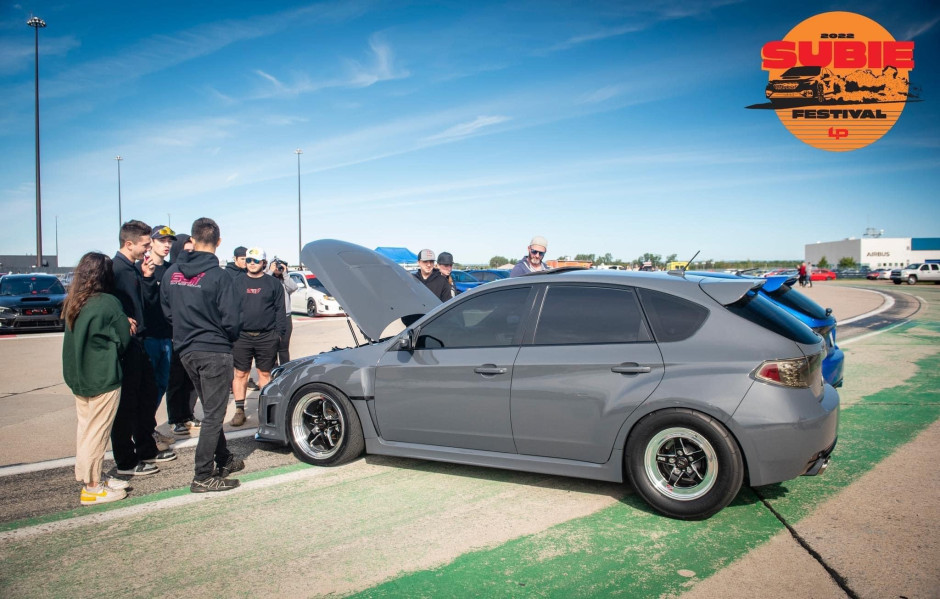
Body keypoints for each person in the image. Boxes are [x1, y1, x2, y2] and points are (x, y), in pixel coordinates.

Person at [161, 217, 244, 493]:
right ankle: (202, 475)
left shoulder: (172, 273)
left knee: (210, 410)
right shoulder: (220, 276)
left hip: (186, 350)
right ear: (219, 243)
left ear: (193, 240)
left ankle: (224, 458)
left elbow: (167, 311)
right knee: (214, 414)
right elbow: (232, 320)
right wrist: (223, 338)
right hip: (214, 351)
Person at [62, 252, 132, 505]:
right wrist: (125, 328)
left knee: (86, 429)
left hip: (78, 376)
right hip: (103, 376)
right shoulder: (108, 302)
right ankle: (92, 488)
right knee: (98, 433)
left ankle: (91, 476)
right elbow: (123, 340)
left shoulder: (73, 301)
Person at [112, 220, 177, 477]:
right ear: (129, 244)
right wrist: (120, 318)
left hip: (141, 342)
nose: (148, 249)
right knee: (127, 405)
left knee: (146, 397)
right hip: (130, 345)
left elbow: (145, 304)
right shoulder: (117, 270)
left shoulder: (135, 270)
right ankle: (126, 461)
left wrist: (148, 279)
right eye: (145, 244)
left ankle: (146, 449)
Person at [230, 247, 286, 426]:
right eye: (248, 260)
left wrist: (279, 335)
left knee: (264, 373)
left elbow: (280, 310)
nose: (252, 264)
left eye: (255, 261)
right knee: (240, 373)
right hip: (242, 336)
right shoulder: (237, 282)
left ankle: (265, 411)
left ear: (263, 262)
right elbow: (229, 308)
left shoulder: (273, 284)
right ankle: (239, 410)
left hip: (267, 336)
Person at [139, 225, 178, 450]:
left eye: (169, 241)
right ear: (151, 242)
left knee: (161, 386)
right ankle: (144, 431)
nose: (166, 245)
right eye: (161, 240)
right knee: (149, 389)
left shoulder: (172, 270)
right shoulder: (142, 268)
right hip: (148, 338)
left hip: (167, 337)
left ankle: (149, 428)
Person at [165, 233, 202, 436]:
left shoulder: (195, 273)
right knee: (176, 380)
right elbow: (166, 307)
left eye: (192, 250)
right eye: (186, 250)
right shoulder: (170, 273)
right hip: (175, 336)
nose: (190, 254)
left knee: (191, 381)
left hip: (193, 336)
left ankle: (188, 415)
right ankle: (175, 418)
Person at [268, 257, 298, 365]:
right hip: (271, 317)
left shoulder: (285, 280)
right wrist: (270, 271)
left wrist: (285, 273)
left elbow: (293, 287)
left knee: (284, 348)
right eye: (275, 266)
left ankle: (286, 371)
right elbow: (262, 284)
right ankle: (273, 373)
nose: (278, 268)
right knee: (272, 349)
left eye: (280, 266)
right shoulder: (267, 278)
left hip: (285, 316)